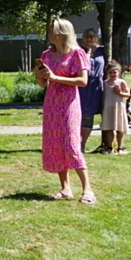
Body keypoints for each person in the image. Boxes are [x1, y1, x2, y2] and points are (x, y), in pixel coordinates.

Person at [36, 18, 96, 204]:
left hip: (69, 104)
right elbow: (43, 84)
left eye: (52, 31)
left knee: (71, 145)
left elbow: (82, 81)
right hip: (52, 104)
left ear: (63, 33)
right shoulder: (46, 54)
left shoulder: (77, 53)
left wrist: (55, 77)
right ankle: (65, 188)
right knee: (55, 145)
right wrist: (40, 76)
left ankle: (88, 190)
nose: (49, 34)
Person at [78, 28, 105, 153]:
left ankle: (83, 144)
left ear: (96, 38)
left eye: (92, 37)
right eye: (87, 37)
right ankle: (75, 143)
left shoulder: (102, 50)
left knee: (89, 115)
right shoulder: (78, 51)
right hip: (82, 85)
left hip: (96, 86)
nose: (89, 39)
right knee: (79, 114)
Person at [100, 60, 130, 154]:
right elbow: (103, 95)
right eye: (110, 72)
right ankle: (110, 147)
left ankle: (120, 147)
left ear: (119, 72)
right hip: (108, 107)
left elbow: (128, 94)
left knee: (119, 127)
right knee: (109, 127)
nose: (112, 74)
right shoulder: (105, 83)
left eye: (114, 72)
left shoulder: (121, 82)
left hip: (119, 106)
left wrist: (120, 93)